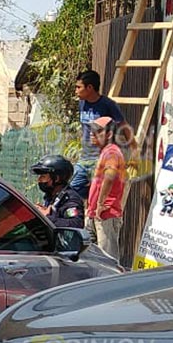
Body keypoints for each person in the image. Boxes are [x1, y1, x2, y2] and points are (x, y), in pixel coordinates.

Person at [72, 70, 125, 200]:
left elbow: (123, 127)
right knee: (73, 189)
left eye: (79, 87)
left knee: (100, 193)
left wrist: (131, 150)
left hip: (101, 158)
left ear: (89, 87)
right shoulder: (82, 104)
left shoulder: (108, 105)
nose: (76, 91)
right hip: (85, 157)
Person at [87, 116, 126, 261]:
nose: (92, 134)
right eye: (91, 131)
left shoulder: (112, 152)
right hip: (96, 214)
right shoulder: (106, 151)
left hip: (106, 214)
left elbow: (110, 175)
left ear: (109, 135)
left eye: (97, 131)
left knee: (107, 261)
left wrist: (100, 204)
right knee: (93, 260)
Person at [30, 154, 84, 228]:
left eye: (43, 176)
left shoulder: (69, 198)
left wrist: (46, 217)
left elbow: (76, 223)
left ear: (57, 178)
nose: (39, 180)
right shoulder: (51, 195)